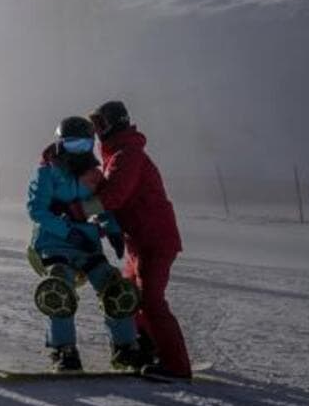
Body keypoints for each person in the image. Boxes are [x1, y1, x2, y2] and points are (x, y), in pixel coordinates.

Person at [27, 116, 145, 372]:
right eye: (71, 145)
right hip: (55, 243)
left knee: (114, 288)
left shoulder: (93, 174)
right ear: (60, 144)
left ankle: (125, 347)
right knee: (59, 288)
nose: (77, 151)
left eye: (83, 145)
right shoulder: (47, 171)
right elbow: (37, 210)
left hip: (87, 244)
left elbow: (102, 204)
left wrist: (113, 230)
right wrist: (67, 232)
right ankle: (63, 349)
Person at [86, 99, 192, 378]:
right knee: (130, 297)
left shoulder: (127, 154)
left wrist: (80, 210)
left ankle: (176, 366)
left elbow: (114, 196)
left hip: (154, 239)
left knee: (151, 300)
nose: (97, 132)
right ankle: (148, 348)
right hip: (140, 240)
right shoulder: (116, 154)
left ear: (113, 123)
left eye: (100, 125)